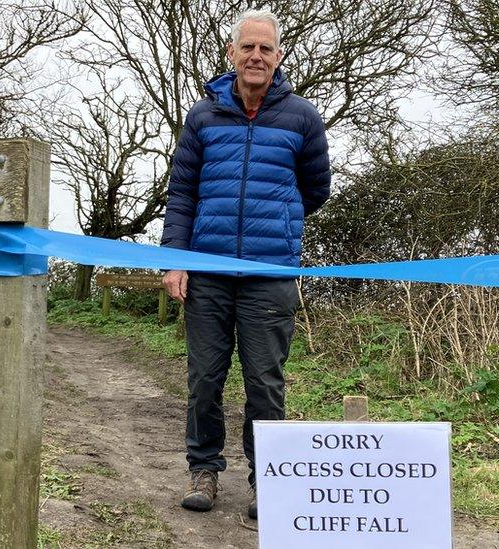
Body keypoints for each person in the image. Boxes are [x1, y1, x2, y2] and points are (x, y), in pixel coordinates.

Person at [160, 8, 330, 520]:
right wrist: (175, 260)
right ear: (232, 53)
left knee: (265, 383)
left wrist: (276, 219)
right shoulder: (202, 116)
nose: (257, 56)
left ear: (279, 57)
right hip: (207, 272)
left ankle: (267, 482)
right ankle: (204, 471)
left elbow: (316, 188)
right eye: (248, 47)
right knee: (204, 379)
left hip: (270, 275)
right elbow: (182, 192)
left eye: (267, 48)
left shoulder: (302, 117)